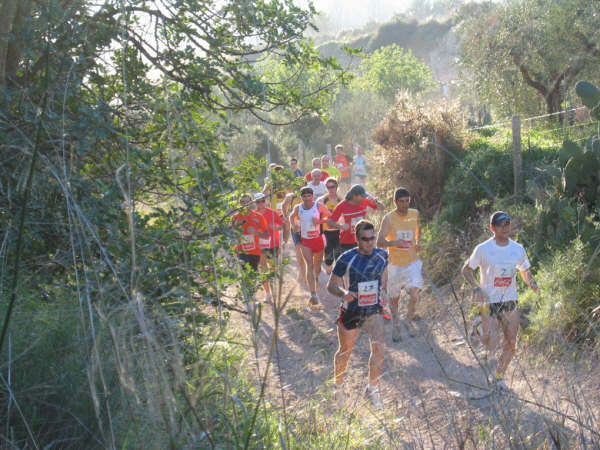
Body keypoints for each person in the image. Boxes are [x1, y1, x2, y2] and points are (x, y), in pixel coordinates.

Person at [462, 211, 540, 391]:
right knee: (490, 343)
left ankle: (498, 377)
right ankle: (478, 328)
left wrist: (533, 284)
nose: (505, 228)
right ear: (492, 228)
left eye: (508, 224)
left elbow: (524, 271)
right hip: (489, 301)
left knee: (512, 344)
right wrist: (476, 287)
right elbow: (466, 270)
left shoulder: (518, 249)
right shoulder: (483, 249)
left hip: (510, 301)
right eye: (501, 225)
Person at [327, 220, 388, 410]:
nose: (369, 243)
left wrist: (384, 292)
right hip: (351, 311)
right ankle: (338, 388)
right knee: (345, 351)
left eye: (372, 239)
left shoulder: (383, 255)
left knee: (379, 350)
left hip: (374, 311)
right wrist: (344, 293)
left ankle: (373, 389)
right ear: (357, 239)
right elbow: (331, 286)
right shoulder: (346, 258)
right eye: (365, 239)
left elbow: (384, 277)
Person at [376, 188, 423, 341]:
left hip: (412, 262)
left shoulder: (414, 214)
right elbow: (379, 242)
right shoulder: (388, 218)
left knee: (415, 294)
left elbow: (418, 229)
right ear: (395, 202)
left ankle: (408, 321)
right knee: (394, 297)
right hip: (395, 263)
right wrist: (394, 242)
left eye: (407, 201)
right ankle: (396, 324)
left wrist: (418, 242)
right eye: (401, 202)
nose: (404, 204)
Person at [289, 186, 330, 307]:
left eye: (309, 196)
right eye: (304, 196)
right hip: (305, 241)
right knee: (309, 265)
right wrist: (294, 225)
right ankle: (313, 294)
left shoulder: (319, 206)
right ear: (301, 197)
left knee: (317, 267)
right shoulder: (298, 208)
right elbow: (291, 217)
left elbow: (330, 216)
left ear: (313, 196)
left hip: (318, 240)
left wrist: (319, 222)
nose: (307, 198)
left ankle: (316, 279)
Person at [326, 184, 384, 253]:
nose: (363, 198)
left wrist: (375, 201)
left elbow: (381, 208)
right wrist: (341, 226)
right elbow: (329, 222)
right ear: (354, 196)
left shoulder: (364, 201)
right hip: (347, 242)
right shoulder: (342, 206)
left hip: (363, 239)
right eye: (361, 196)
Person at [232, 194, 270, 297]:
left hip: (255, 251)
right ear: (239, 203)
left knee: (252, 274)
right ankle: (248, 299)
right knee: (245, 273)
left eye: (247, 202)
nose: (245, 204)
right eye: (243, 202)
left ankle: (255, 294)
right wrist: (235, 233)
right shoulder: (235, 217)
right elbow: (230, 235)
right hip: (241, 251)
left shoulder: (258, 217)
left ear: (251, 203)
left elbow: (267, 236)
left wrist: (256, 233)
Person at [255, 192, 284, 303]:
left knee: (273, 268)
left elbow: (281, 226)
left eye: (262, 200)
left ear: (265, 200)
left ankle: (273, 285)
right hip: (260, 245)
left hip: (273, 244)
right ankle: (268, 293)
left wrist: (274, 227)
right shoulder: (253, 214)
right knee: (263, 269)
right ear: (255, 203)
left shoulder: (272, 213)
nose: (261, 203)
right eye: (258, 201)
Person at [282, 190, 307, 287]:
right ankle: (301, 272)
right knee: (298, 249)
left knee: (308, 250)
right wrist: (286, 217)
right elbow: (284, 205)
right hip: (296, 227)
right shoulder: (291, 196)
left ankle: (309, 272)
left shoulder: (308, 194)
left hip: (308, 227)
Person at [318, 177, 342, 274]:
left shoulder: (341, 200)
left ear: (336, 187)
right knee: (328, 252)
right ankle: (328, 266)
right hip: (326, 231)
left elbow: (344, 215)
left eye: (332, 187)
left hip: (338, 230)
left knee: (338, 252)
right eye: (328, 187)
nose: (330, 189)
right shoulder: (322, 200)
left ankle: (337, 275)